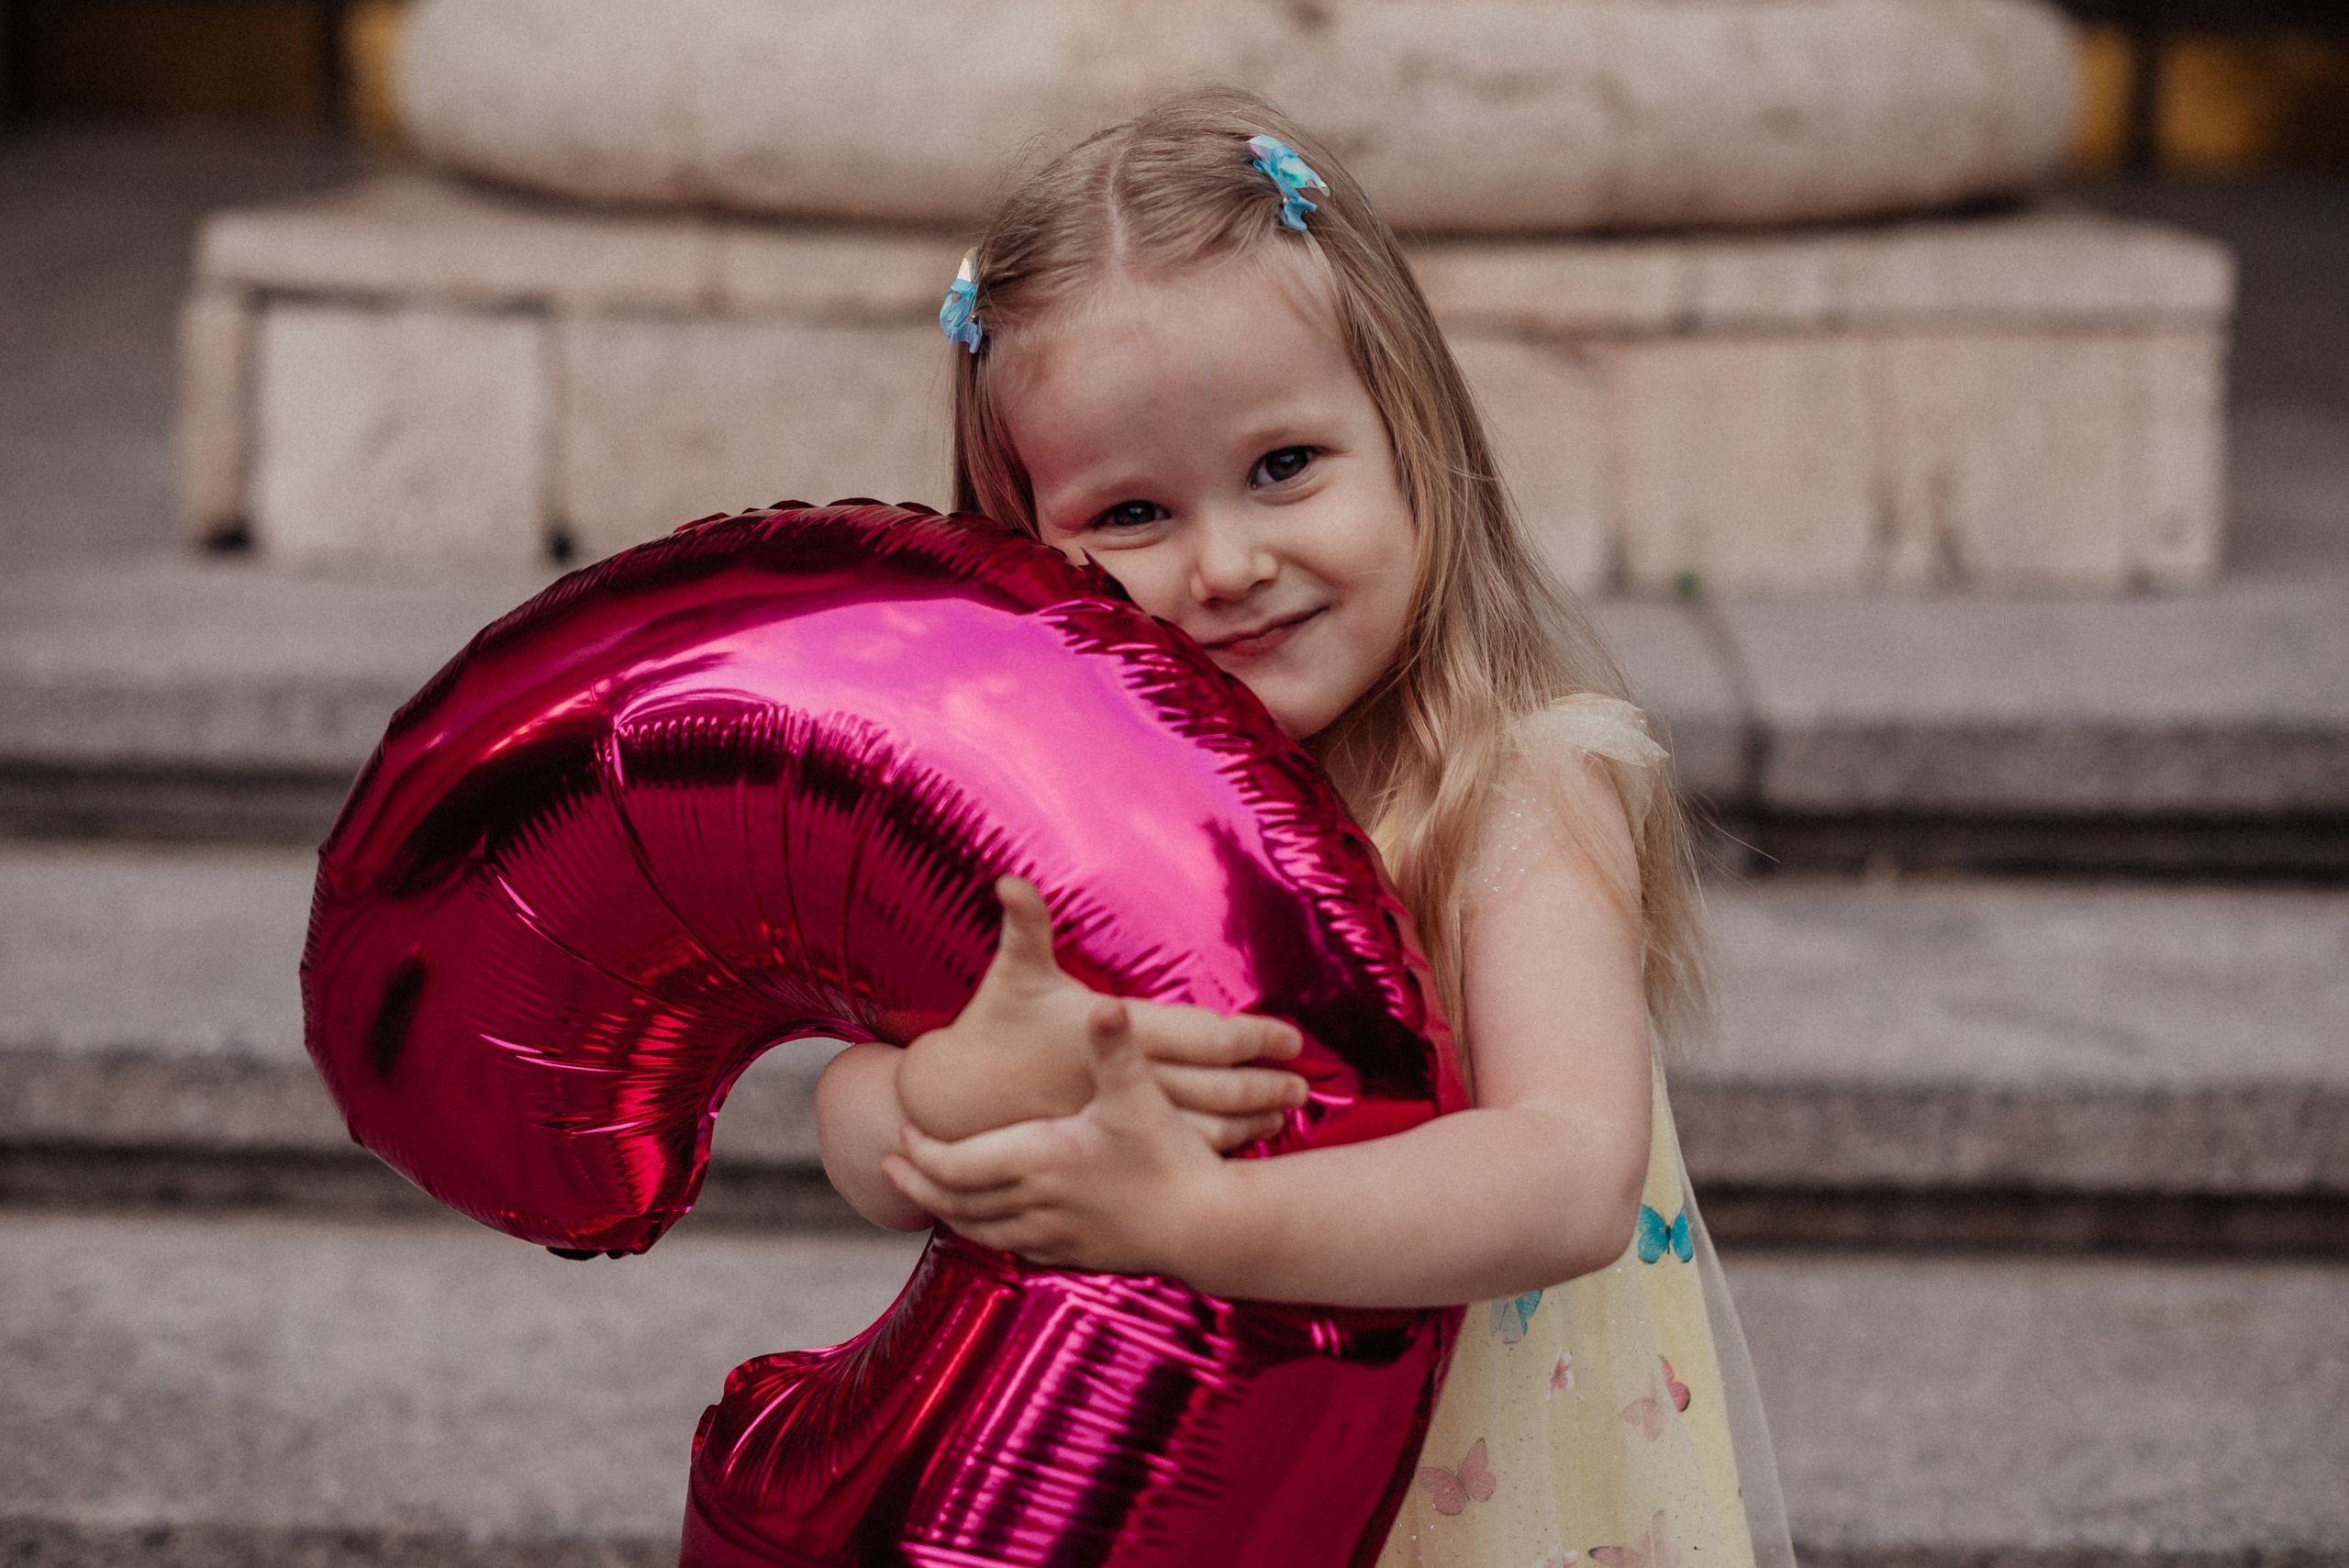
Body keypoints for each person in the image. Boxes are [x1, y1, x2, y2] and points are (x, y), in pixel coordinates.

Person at [813, 88, 1793, 1568]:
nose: (1226, 563)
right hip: (1176, 1488)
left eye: (1284, 467)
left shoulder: (1508, 784)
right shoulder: (1060, 835)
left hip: (1469, 1502)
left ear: (1410, 436)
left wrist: (1190, 1219)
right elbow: (854, 1126)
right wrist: (946, 1093)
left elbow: (1567, 1168)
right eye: (1131, 514)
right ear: (1029, 550)